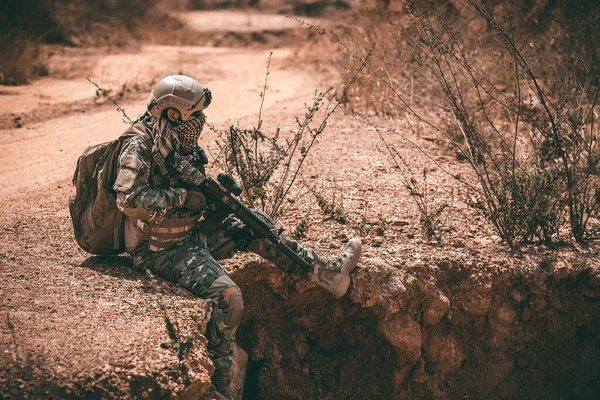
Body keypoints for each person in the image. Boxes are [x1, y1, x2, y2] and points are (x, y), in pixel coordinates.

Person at [112, 75, 362, 399]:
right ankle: (218, 388)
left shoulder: (174, 142)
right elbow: (128, 199)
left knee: (254, 227)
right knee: (230, 301)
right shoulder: (140, 145)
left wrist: (210, 196)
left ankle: (325, 273)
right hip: (160, 249)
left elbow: (189, 186)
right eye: (194, 117)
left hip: (188, 235)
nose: (199, 123)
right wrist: (184, 199)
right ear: (172, 113)